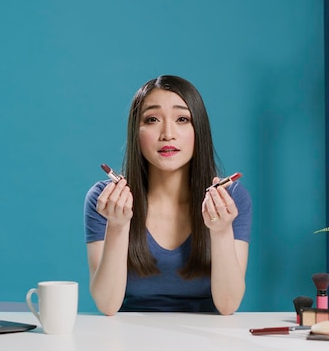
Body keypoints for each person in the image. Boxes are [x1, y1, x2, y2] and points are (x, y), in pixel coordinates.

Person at [84, 75, 252, 316]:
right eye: (152, 119)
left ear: (199, 130)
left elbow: (228, 305)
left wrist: (221, 231)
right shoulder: (104, 199)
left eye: (182, 119)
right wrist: (118, 226)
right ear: (136, 132)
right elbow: (107, 305)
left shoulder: (232, 198)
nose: (167, 134)